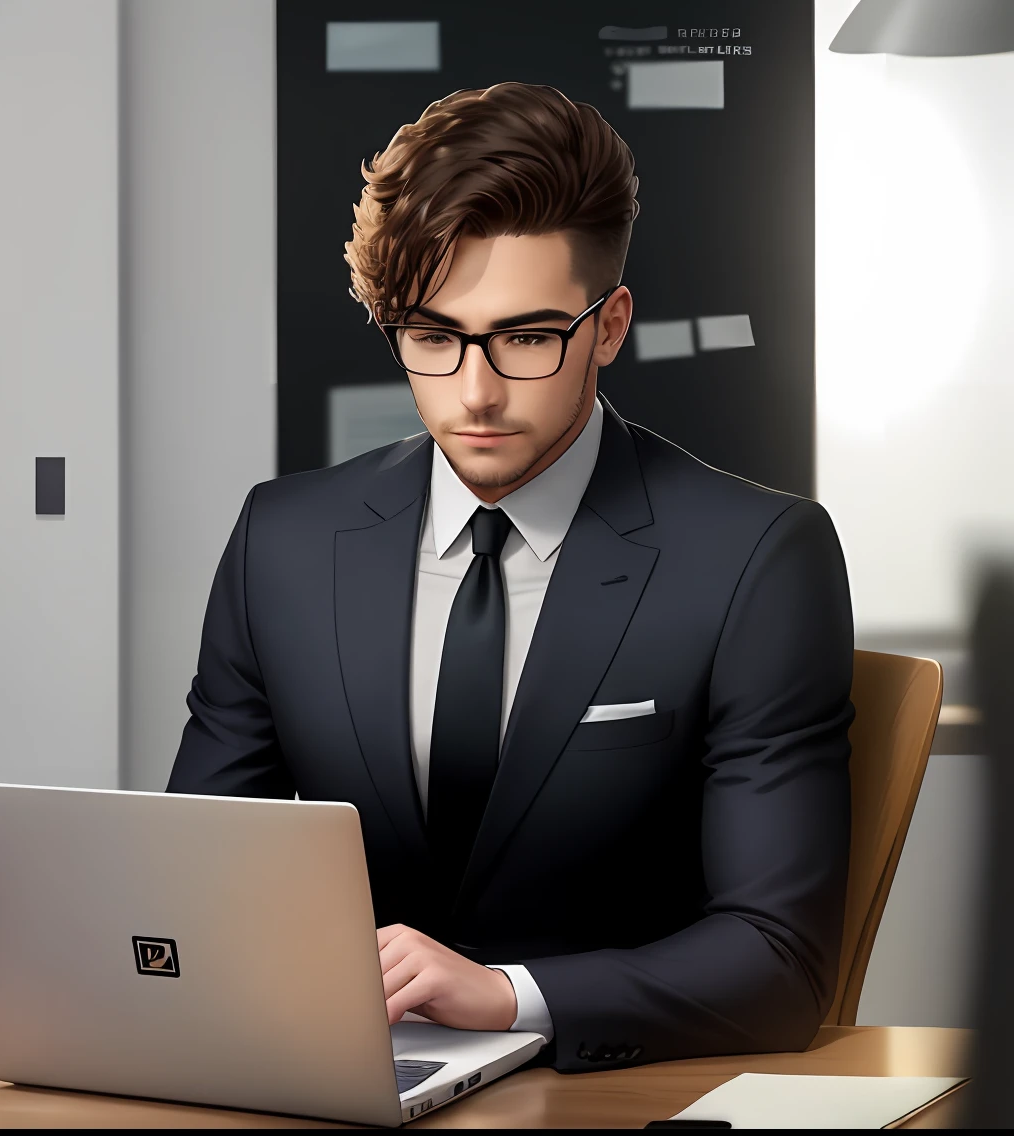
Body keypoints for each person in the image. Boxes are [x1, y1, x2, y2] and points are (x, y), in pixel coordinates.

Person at [166, 83, 852, 1071]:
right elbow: (192, 876)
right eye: (433, 337)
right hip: (342, 1074)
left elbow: (777, 959)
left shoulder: (757, 555)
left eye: (526, 337)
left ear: (606, 327)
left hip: (609, 1086)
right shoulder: (282, 538)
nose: (474, 392)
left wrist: (504, 995)